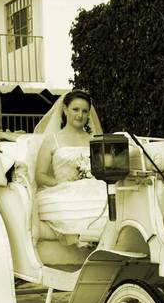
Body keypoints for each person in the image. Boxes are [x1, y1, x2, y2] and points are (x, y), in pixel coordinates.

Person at [33, 89, 108, 245]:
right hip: (61, 188)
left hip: (92, 186)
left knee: (107, 200)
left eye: (84, 111)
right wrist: (62, 184)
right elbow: (40, 175)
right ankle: (80, 238)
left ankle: (100, 239)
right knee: (69, 203)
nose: (80, 115)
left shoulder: (94, 140)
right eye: (75, 109)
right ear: (65, 110)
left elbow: (102, 170)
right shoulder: (52, 140)